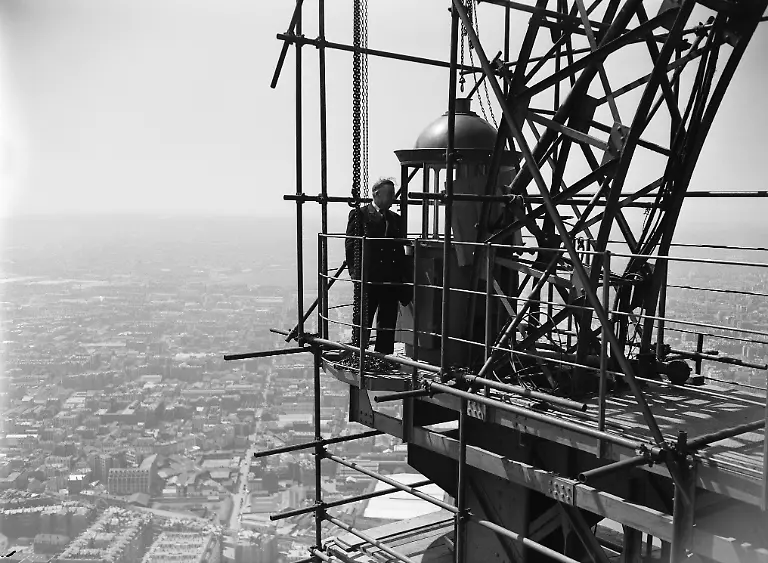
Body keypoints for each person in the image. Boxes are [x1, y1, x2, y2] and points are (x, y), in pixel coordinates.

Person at [345, 178, 406, 355]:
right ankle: (359, 354)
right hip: (369, 278)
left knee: (387, 322)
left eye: (393, 194)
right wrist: (356, 274)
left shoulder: (395, 219)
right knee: (364, 319)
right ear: (376, 194)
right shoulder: (360, 215)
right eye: (389, 194)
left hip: (390, 280)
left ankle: (383, 357)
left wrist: (402, 278)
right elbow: (351, 246)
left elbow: (399, 250)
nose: (393, 198)